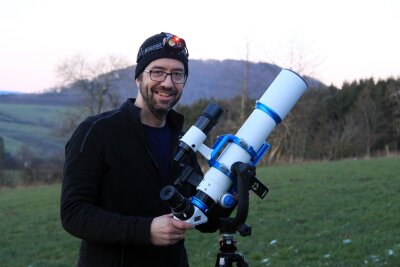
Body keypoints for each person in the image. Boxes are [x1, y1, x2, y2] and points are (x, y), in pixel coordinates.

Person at [60, 32, 219, 267]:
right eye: (157, 72)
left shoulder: (183, 139)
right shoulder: (97, 132)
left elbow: (204, 220)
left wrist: (229, 192)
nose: (167, 83)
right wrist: (145, 230)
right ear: (138, 78)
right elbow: (74, 213)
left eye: (177, 74)